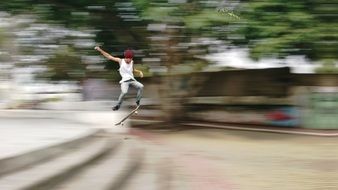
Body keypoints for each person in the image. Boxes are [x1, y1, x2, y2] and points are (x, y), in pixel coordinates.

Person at [94, 46, 144, 111]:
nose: (130, 60)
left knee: (141, 86)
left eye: (131, 59)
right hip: (124, 81)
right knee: (124, 92)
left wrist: (140, 72)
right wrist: (100, 50)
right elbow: (109, 57)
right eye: (128, 59)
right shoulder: (120, 61)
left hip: (132, 80)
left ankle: (137, 101)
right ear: (126, 57)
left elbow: (133, 69)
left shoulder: (132, 62)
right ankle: (118, 105)